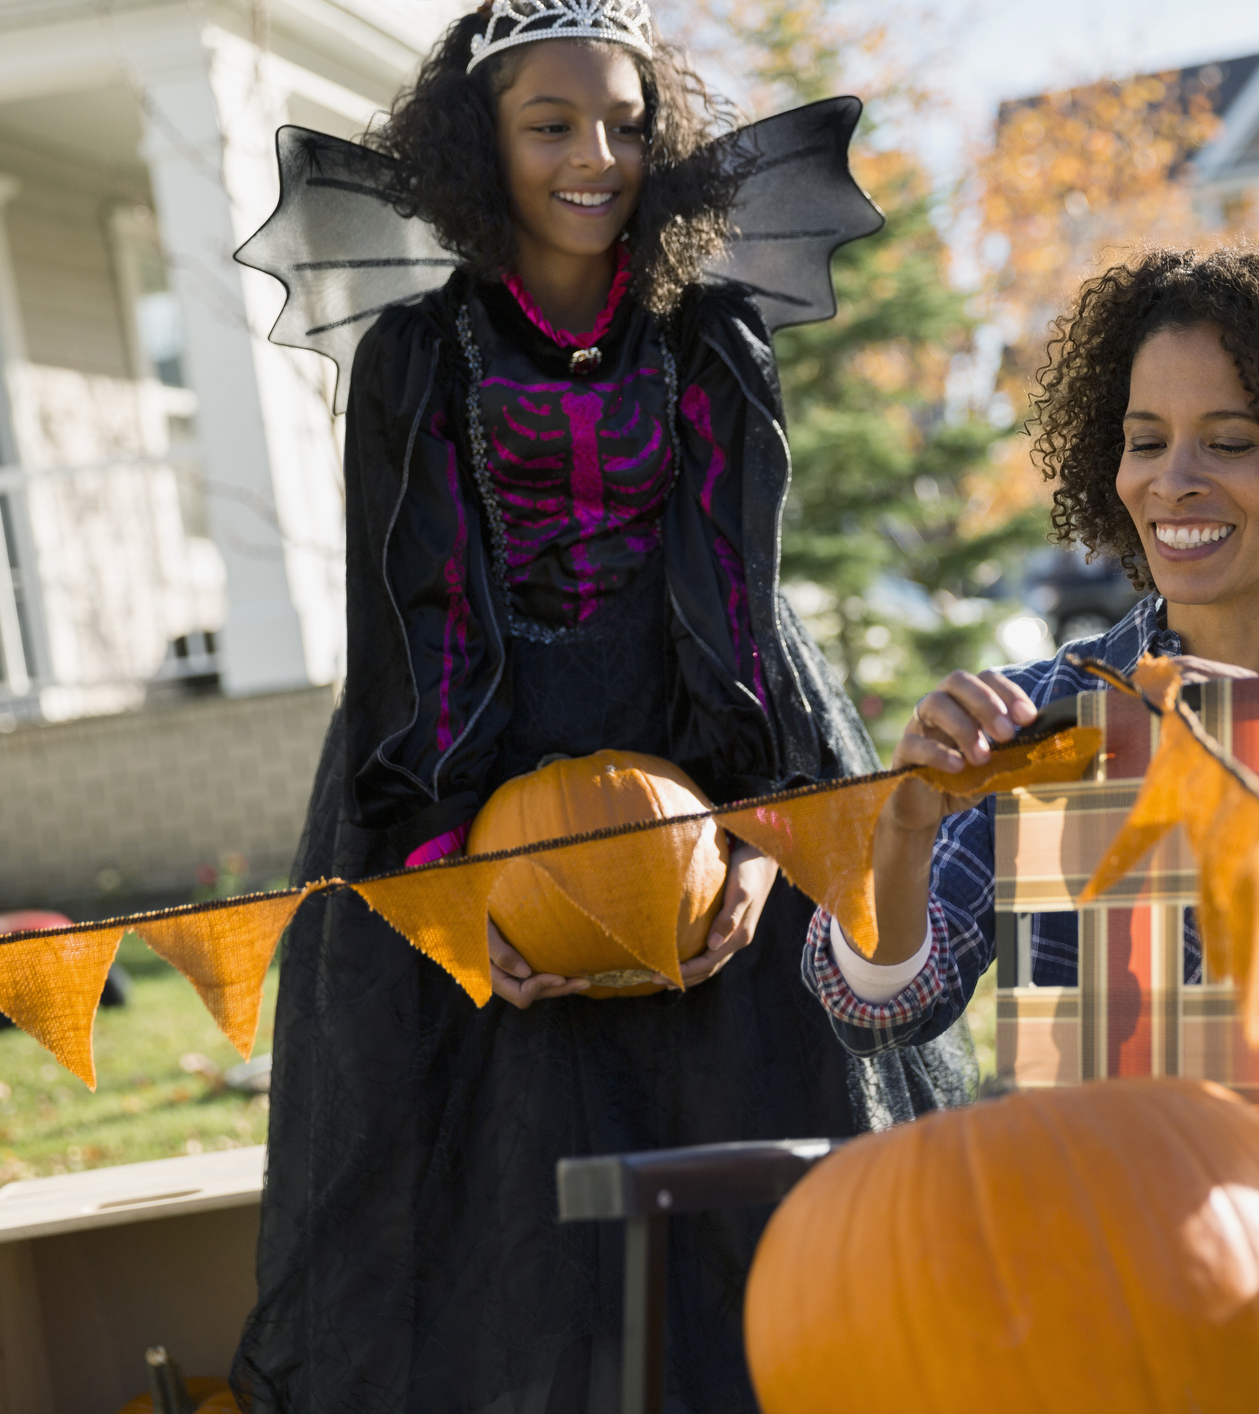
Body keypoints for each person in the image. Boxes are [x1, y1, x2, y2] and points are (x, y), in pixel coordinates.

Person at [233, 6, 973, 1411]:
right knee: (512, 1202)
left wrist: (764, 839)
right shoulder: (416, 354)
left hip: (717, 739)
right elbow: (415, 614)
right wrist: (453, 890)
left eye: (629, 122)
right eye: (552, 125)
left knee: (770, 1121)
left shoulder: (710, 333)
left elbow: (737, 600)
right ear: (479, 148)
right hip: (469, 758)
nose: (598, 156)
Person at [802, 245, 1259, 1054]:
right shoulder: (1042, 716)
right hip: (1089, 1175)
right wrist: (900, 831)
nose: (1171, 480)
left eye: (1229, 442)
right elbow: (882, 1007)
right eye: (1145, 442)